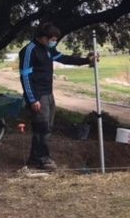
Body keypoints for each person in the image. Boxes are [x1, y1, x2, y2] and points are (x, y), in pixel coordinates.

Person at [19, 22, 96, 170]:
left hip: (48, 94)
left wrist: (87, 60)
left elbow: (65, 59)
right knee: (43, 128)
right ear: (43, 38)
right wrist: (32, 99)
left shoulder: (48, 50)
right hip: (38, 96)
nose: (54, 42)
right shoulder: (30, 50)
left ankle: (35, 159)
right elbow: (25, 77)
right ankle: (45, 159)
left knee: (46, 127)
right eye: (52, 39)